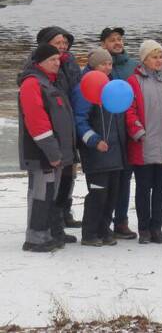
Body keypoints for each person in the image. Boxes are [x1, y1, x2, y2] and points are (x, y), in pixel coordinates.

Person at [125, 40, 162, 244]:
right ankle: (143, 229)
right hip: (145, 143)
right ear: (144, 59)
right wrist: (139, 132)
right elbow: (129, 110)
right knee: (143, 187)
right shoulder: (134, 81)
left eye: (161, 56)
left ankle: (156, 228)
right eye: (154, 56)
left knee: (161, 187)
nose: (159, 60)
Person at [18, 43, 77, 252]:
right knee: (41, 194)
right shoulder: (32, 83)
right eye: (52, 59)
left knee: (50, 194)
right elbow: (37, 121)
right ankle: (35, 238)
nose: (57, 62)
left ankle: (47, 233)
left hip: (55, 153)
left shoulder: (50, 83)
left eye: (58, 59)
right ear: (40, 62)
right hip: (41, 153)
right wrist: (52, 151)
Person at [71, 48, 127, 247]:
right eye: (104, 64)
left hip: (115, 151)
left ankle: (104, 229)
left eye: (110, 64)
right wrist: (94, 141)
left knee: (112, 194)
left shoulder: (111, 86)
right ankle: (89, 232)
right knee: (98, 193)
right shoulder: (85, 87)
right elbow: (80, 121)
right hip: (96, 152)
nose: (108, 67)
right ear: (94, 65)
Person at [35, 27, 82, 231]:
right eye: (58, 43)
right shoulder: (37, 68)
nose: (63, 46)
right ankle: (52, 221)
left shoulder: (68, 63)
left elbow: (77, 88)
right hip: (53, 129)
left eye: (65, 43)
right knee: (55, 176)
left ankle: (64, 212)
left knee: (70, 173)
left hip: (70, 124)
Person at [99, 26, 139, 240]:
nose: (117, 42)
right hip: (106, 131)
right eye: (112, 39)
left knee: (125, 177)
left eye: (120, 39)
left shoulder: (133, 65)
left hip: (128, 130)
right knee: (106, 179)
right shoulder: (97, 67)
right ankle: (101, 220)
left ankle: (121, 221)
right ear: (103, 44)